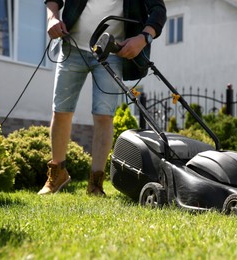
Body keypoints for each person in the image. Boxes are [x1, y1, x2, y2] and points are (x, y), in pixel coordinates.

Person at [37, 0, 167, 196]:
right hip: (72, 47)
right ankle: (57, 173)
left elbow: (158, 9)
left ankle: (95, 183)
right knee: (61, 111)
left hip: (111, 52)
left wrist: (143, 38)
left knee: (104, 116)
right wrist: (52, 18)